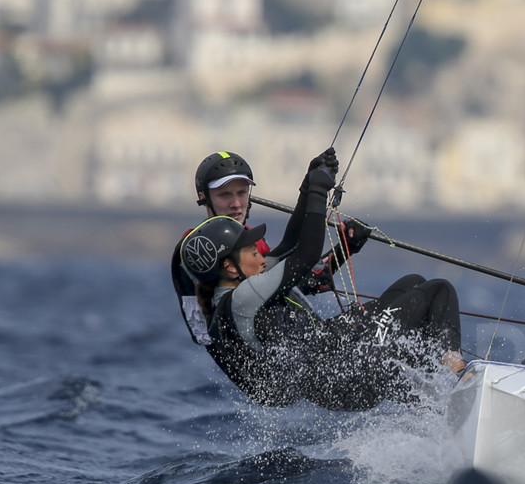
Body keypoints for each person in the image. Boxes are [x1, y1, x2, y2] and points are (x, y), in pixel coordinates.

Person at [181, 160, 465, 410]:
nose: (260, 254)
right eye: (251, 250)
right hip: (342, 373)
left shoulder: (241, 282)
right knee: (437, 291)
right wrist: (318, 192)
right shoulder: (240, 297)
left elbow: (291, 249)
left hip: (332, 356)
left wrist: (309, 189)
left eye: (242, 193)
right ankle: (456, 381)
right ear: (229, 266)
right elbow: (303, 257)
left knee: (412, 283)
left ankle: (434, 382)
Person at [169, 149, 368, 346]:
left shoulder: (251, 245)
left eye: (242, 192)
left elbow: (299, 271)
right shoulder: (198, 249)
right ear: (204, 197)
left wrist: (346, 247)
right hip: (261, 360)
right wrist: (317, 189)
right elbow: (204, 334)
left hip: (293, 348)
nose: (236, 203)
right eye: (225, 195)